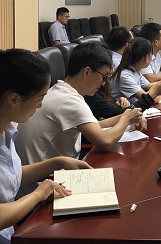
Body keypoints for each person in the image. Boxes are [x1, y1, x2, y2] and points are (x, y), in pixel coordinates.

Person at [0, 49, 92, 243]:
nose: (40, 106)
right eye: (39, 98)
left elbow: (11, 177)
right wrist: (38, 194)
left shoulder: (6, 129)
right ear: (14, 99)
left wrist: (57, 162)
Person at [15, 43, 144, 166]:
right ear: (87, 72)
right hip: (49, 177)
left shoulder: (61, 90)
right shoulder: (69, 100)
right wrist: (126, 119)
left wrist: (127, 116)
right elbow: (105, 142)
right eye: (104, 77)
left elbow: (94, 125)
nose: (104, 83)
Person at [111, 37, 161, 104]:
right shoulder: (125, 75)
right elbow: (148, 98)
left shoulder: (135, 71)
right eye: (151, 54)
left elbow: (149, 86)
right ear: (146, 58)